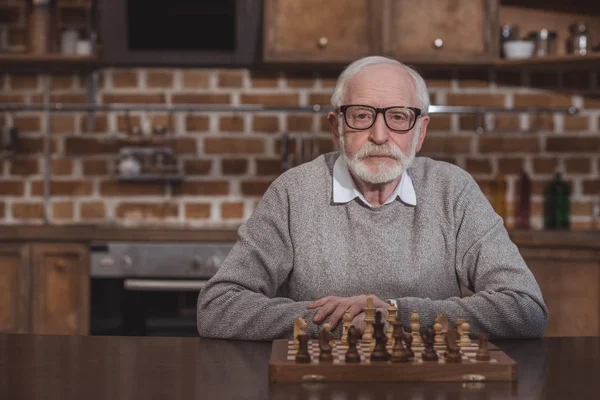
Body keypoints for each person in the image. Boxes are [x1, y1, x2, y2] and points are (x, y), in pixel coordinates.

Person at [196, 56, 548, 341]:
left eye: (398, 117)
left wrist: (396, 314)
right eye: (362, 116)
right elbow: (217, 307)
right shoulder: (293, 192)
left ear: (420, 131)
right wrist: (338, 320)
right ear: (337, 128)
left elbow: (525, 308)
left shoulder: (453, 190)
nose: (379, 136)